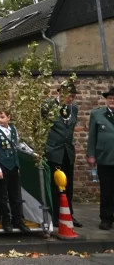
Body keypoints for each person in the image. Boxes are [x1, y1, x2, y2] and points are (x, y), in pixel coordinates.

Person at [0, 108, 36, 233]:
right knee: (3, 196)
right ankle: (6, 220)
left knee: (15, 195)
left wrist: (32, 153)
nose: (0, 120)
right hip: (3, 166)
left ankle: (18, 220)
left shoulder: (13, 130)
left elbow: (17, 145)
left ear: (8, 118)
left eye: (2, 117)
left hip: (14, 166)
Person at [47, 82, 80, 227]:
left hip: (68, 152)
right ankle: (55, 216)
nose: (70, 98)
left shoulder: (74, 109)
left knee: (68, 186)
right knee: (55, 185)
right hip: (54, 151)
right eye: (67, 95)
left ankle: (69, 214)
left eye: (72, 96)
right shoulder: (49, 106)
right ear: (60, 93)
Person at [88, 87, 114, 230]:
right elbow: (92, 136)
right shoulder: (98, 114)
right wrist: (91, 154)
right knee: (107, 190)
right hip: (105, 158)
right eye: (110, 98)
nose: (112, 100)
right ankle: (106, 218)